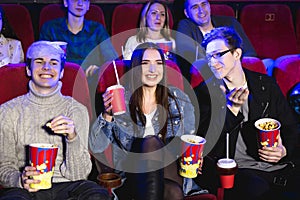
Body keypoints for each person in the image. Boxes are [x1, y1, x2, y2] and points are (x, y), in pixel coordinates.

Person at [193, 26, 300, 200]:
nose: (213, 62)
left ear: (237, 54)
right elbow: (208, 149)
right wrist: (231, 112)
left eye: (218, 54)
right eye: (209, 57)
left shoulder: (265, 85)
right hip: (236, 171)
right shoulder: (204, 94)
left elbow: (291, 127)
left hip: (279, 166)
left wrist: (284, 149)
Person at [0, 41, 109, 200]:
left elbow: (80, 174)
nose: (46, 67)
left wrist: (72, 138)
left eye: (53, 62)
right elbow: (4, 168)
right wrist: (19, 179)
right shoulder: (7, 111)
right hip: (27, 189)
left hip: (69, 185)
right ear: (28, 70)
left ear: (62, 72)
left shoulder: (76, 110)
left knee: (96, 194)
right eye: (39, 62)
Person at [89, 42, 197, 199]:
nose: (153, 69)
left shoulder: (179, 99)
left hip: (172, 169)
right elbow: (96, 146)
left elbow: (189, 140)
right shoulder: (120, 100)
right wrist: (107, 115)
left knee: (153, 145)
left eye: (158, 63)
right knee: (173, 192)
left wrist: (195, 158)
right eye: (146, 63)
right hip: (132, 174)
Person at [175, 0, 257, 83]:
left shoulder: (230, 23)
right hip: (209, 79)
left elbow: (249, 53)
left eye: (204, 4)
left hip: (238, 73)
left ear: (209, 6)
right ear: (187, 13)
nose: (201, 10)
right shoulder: (185, 26)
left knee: (268, 63)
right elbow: (189, 57)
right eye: (195, 7)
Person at [39, 0, 117, 78]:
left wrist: (99, 70)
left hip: (91, 81)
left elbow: (112, 61)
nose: (80, 3)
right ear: (66, 2)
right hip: (59, 80)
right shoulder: (50, 29)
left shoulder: (97, 30)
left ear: (88, 5)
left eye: (84, 0)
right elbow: (41, 60)